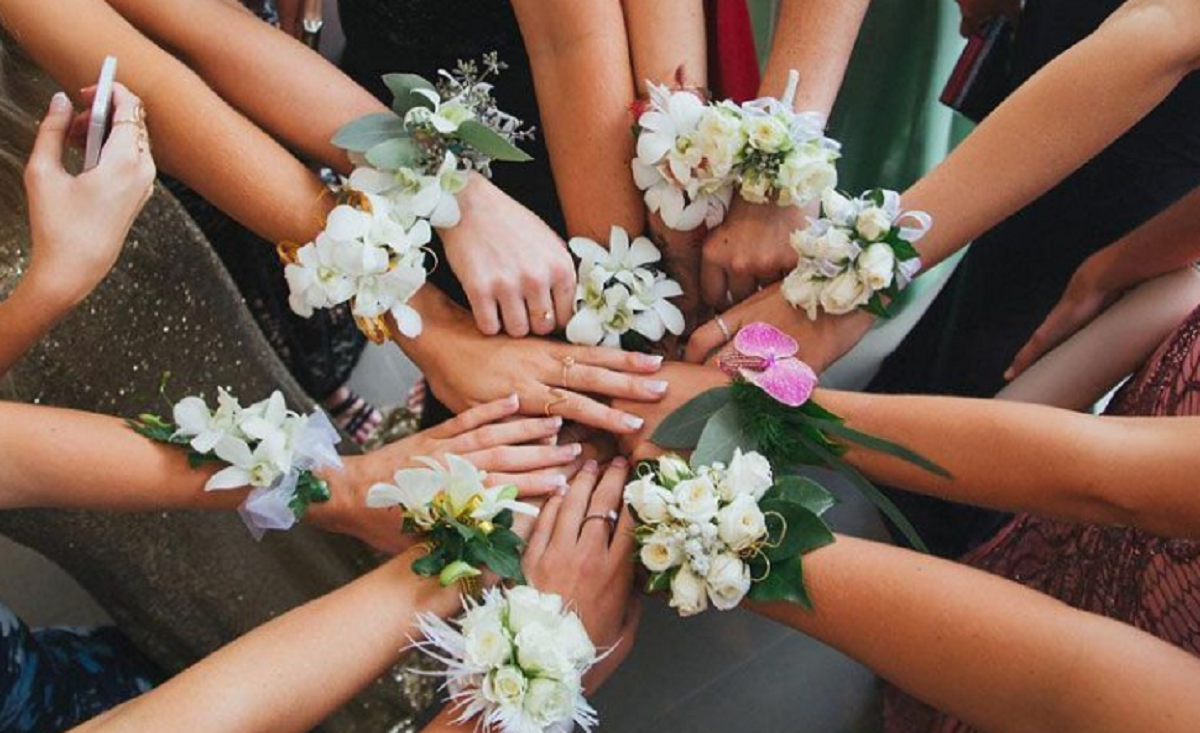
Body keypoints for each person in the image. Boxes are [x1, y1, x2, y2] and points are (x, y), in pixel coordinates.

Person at [685, 0, 1200, 557]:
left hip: (1162, 124)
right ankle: (897, 414)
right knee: (997, 262)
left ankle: (939, 518)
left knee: (1027, 326)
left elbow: (1168, 34)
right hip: (1091, 35)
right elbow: (1156, 28)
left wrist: (860, 283)